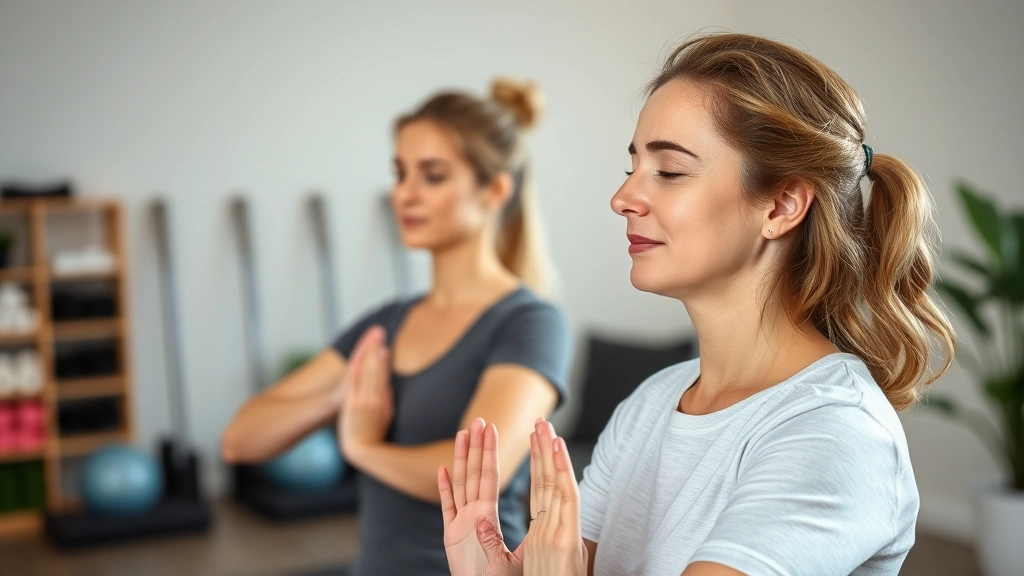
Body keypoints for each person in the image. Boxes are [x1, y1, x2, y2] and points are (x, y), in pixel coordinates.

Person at [438, 33, 955, 576]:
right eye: (631, 167)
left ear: (781, 205)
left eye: (670, 172)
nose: (623, 199)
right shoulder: (651, 404)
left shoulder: (834, 434)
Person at [221, 78, 573, 576]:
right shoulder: (385, 326)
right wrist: (341, 399)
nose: (404, 194)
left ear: (494, 190)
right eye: (400, 173)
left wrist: (362, 446)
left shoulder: (531, 323)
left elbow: (472, 479)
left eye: (431, 176)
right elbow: (240, 440)